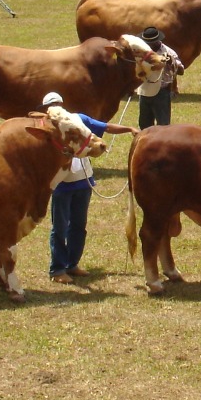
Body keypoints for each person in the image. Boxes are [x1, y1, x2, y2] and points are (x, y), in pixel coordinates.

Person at [43, 92, 137, 283]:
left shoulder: (78, 120)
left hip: (82, 181)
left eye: (58, 103)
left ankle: (72, 264)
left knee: (78, 225)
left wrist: (129, 129)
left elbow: (105, 127)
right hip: (62, 183)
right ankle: (58, 269)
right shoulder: (49, 131)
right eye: (53, 104)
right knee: (60, 227)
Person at [136, 26, 183, 128]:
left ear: (157, 41)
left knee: (163, 125)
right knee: (144, 125)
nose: (148, 45)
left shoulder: (168, 52)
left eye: (151, 42)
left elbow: (181, 70)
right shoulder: (141, 52)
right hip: (145, 91)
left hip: (161, 93)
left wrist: (171, 62)